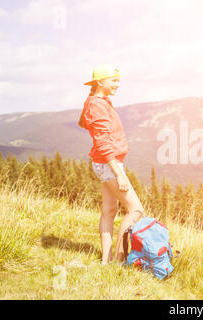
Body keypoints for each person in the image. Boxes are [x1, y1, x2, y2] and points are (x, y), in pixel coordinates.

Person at [78, 64, 144, 264]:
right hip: (109, 165)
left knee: (109, 210)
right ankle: (119, 259)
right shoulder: (97, 105)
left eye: (118, 80)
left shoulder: (96, 101)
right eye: (113, 80)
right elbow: (103, 143)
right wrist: (119, 174)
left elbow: (83, 122)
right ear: (100, 82)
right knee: (136, 210)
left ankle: (106, 261)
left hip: (105, 164)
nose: (117, 84)